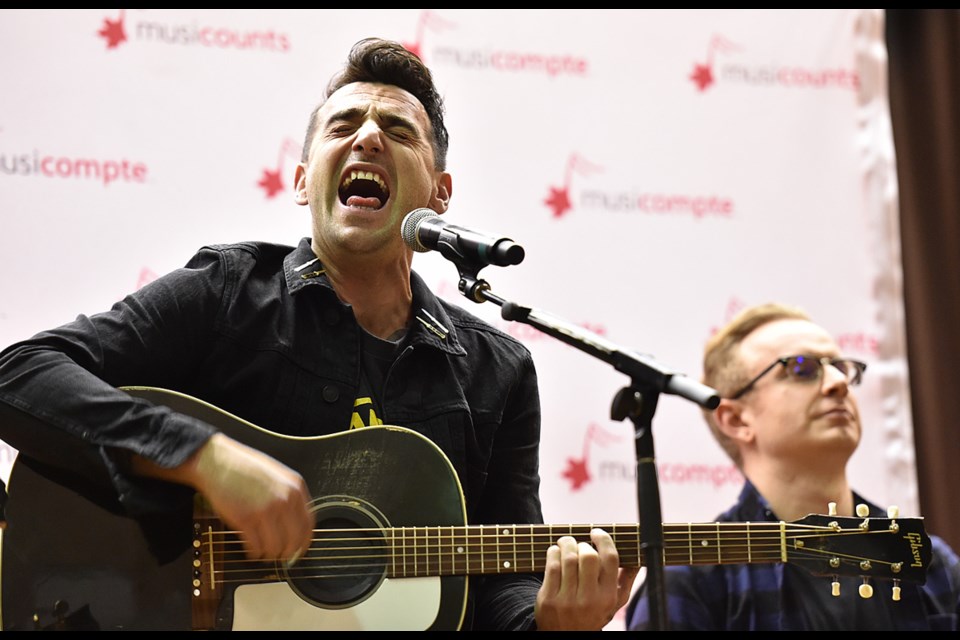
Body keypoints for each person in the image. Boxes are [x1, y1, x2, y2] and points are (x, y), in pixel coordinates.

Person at [0, 37, 637, 631]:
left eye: (397, 130)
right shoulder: (228, 291)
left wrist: (551, 622)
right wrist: (203, 456)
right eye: (343, 126)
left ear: (439, 194)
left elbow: (499, 581)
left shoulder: (498, 370)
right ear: (304, 181)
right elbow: (20, 374)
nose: (366, 137)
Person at [626, 302, 960, 630]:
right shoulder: (689, 584)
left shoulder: (930, 561)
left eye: (841, 368)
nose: (838, 383)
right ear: (736, 419)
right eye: (802, 368)